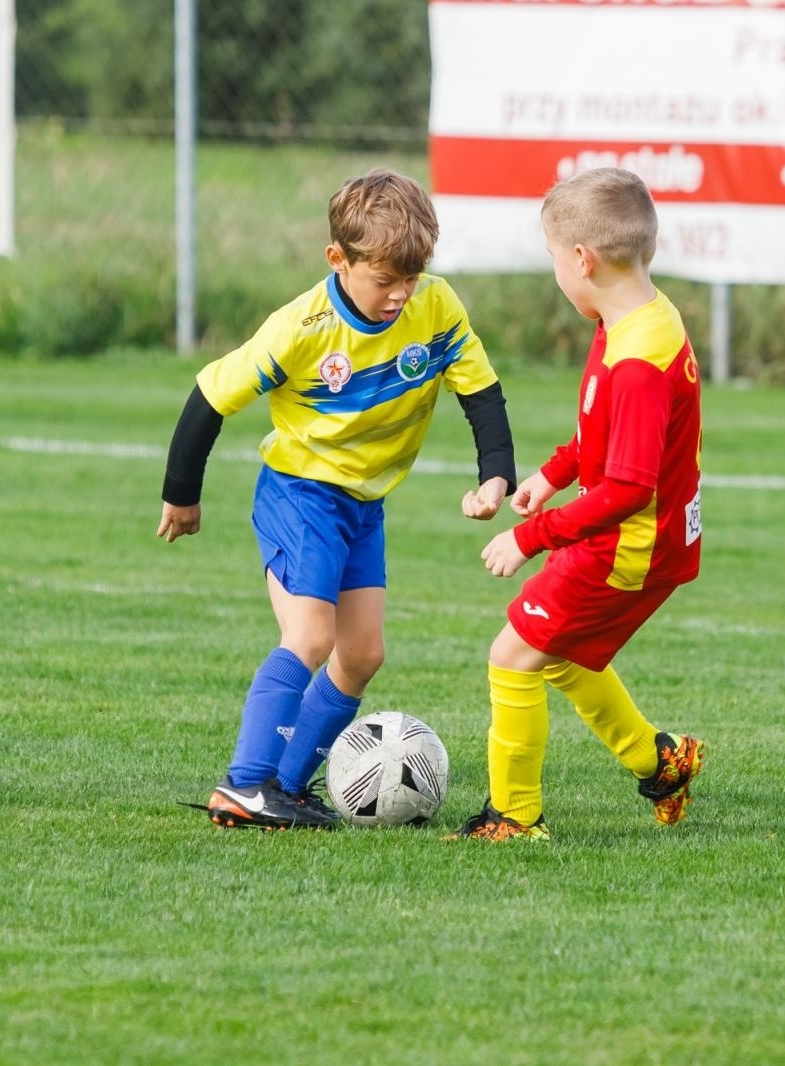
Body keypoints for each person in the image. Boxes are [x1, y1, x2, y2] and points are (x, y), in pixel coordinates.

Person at [159, 168, 517, 830]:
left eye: (412, 277)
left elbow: (481, 391)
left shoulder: (435, 306)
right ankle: (246, 783)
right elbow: (210, 396)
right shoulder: (300, 328)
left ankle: (289, 787)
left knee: (362, 655)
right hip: (300, 494)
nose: (401, 294)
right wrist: (182, 496)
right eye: (385, 279)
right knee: (310, 637)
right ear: (338, 259)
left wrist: (496, 474)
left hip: (362, 505)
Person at [449, 167, 705, 842]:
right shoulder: (634, 316)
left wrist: (530, 537)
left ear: (582, 260)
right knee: (556, 654)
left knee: (512, 655)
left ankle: (514, 818)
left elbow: (628, 488)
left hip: (630, 544)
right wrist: (555, 473)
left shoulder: (639, 360)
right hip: (637, 535)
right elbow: (604, 435)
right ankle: (662, 762)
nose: (556, 271)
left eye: (553, 256)